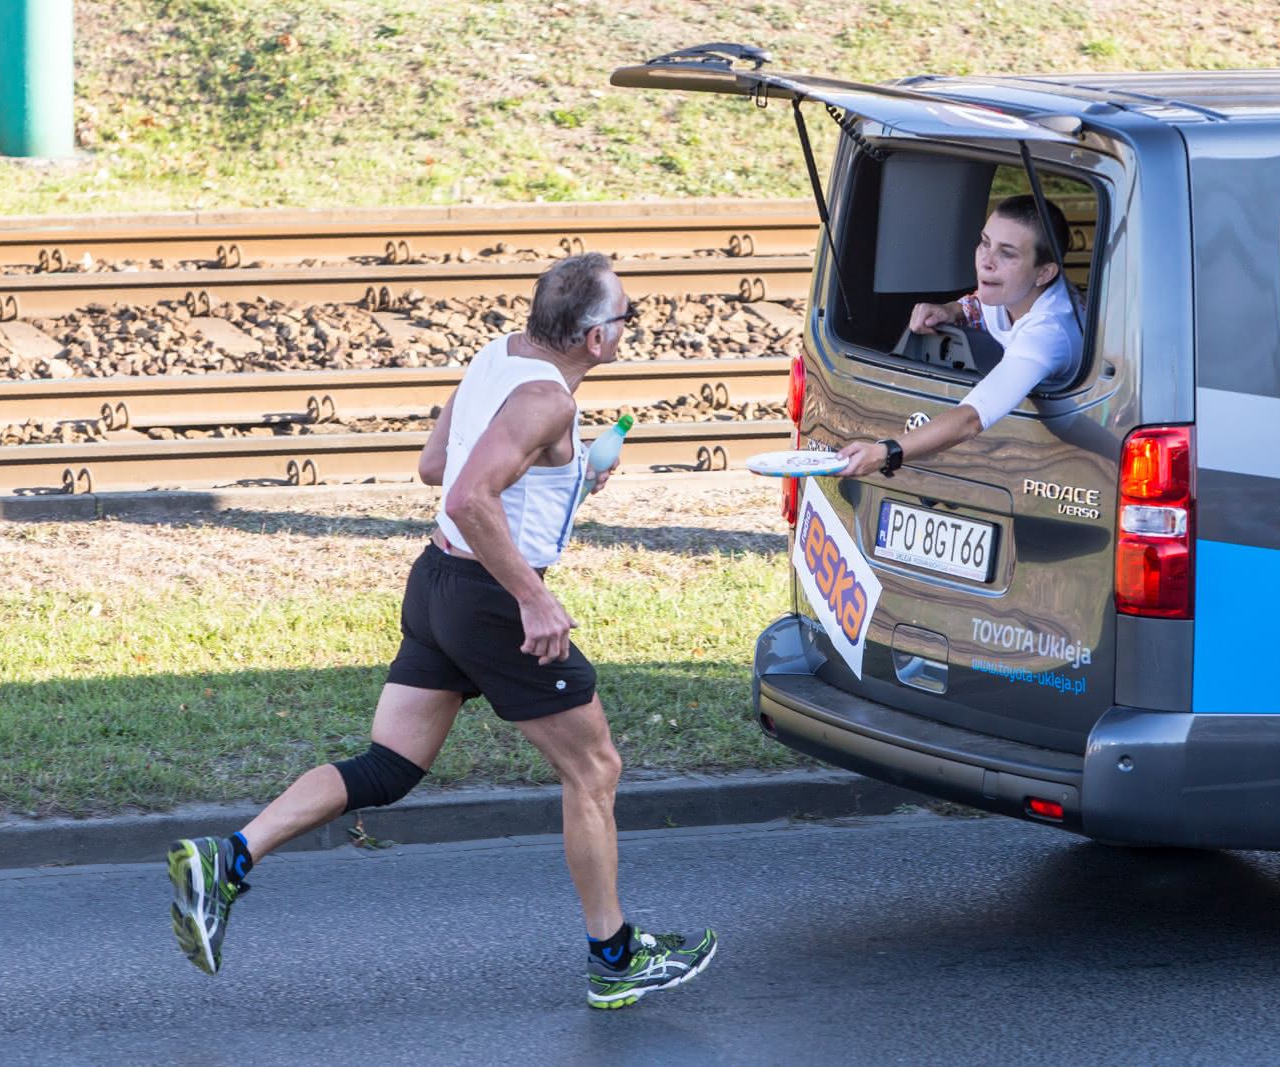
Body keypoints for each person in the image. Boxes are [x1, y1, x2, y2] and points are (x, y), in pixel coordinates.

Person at [166, 252, 718, 1010]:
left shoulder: (496, 355)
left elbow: (435, 463)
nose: (630, 327)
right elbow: (465, 493)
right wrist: (533, 598)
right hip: (492, 601)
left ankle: (227, 857)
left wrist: (565, 474)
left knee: (387, 768)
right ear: (595, 338)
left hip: (438, 584)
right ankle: (614, 957)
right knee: (595, 771)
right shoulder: (548, 402)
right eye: (628, 316)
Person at [836, 194, 1085, 477]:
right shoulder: (1014, 288)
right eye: (984, 242)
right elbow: (982, 302)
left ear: (1044, 273)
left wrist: (886, 453)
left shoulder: (1049, 331)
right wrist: (952, 310)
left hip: (1068, 459)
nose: (986, 261)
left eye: (1008, 253)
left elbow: (972, 418)